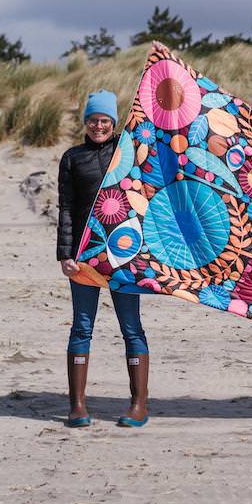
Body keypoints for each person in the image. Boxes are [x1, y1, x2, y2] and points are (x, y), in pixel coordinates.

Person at [57, 89, 149, 428]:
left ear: (114, 122)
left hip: (125, 254)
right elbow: (66, 208)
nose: (99, 126)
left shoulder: (128, 153)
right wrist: (65, 254)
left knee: (131, 328)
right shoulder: (72, 158)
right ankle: (77, 406)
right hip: (83, 256)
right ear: (86, 122)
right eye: (94, 120)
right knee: (82, 326)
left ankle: (138, 405)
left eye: (105, 121)